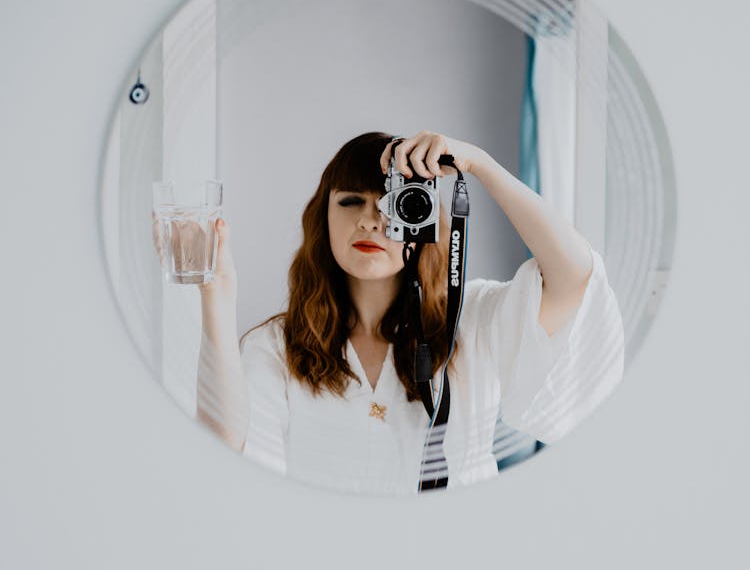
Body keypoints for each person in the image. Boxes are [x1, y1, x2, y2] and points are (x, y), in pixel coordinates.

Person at [185, 129, 624, 496]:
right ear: (323, 216)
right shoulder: (277, 347)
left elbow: (574, 277)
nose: (371, 220)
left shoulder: (471, 320)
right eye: (351, 201)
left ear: (427, 221)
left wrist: (480, 165)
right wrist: (216, 296)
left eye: (395, 203)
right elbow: (228, 456)